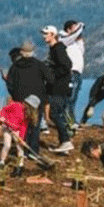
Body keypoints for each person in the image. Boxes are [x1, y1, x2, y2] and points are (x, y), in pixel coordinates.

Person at [5, 41, 53, 156]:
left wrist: (15, 96)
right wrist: (45, 93)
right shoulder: (40, 65)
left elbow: (9, 84)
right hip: (37, 100)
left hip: (20, 100)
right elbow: (51, 80)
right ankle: (33, 151)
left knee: (23, 126)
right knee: (35, 126)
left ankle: (22, 151)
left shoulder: (15, 67)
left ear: (21, 53)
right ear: (33, 52)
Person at [42, 25, 73, 153]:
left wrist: (52, 75)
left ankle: (66, 141)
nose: (44, 36)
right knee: (57, 114)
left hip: (59, 88)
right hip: (56, 87)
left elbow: (67, 65)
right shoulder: (53, 49)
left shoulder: (58, 49)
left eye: (46, 34)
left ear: (53, 35)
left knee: (54, 114)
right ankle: (64, 145)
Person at [0, 95, 40, 177]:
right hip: (7, 129)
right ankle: (2, 162)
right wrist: (2, 117)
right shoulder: (15, 105)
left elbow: (23, 127)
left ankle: (20, 165)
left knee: (20, 148)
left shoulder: (27, 114)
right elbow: (3, 110)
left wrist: (21, 138)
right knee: (7, 145)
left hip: (16, 130)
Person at [59, 20, 85, 128]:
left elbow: (81, 52)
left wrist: (80, 40)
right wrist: (81, 27)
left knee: (74, 98)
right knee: (69, 97)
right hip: (70, 73)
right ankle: (68, 121)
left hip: (78, 73)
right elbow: (72, 36)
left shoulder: (74, 41)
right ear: (69, 29)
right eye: (75, 27)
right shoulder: (63, 37)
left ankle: (71, 120)